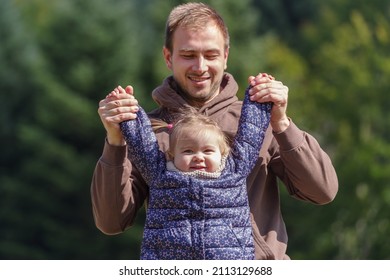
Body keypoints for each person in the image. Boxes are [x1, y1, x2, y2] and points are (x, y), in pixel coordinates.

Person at [91, 2, 338, 260]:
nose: (200, 67)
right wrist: (114, 141)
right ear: (168, 57)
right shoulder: (147, 132)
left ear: (226, 56)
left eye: (210, 55)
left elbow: (322, 191)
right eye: (188, 55)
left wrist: (283, 123)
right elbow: (111, 222)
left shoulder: (259, 121)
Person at [107, 82, 271, 260]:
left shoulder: (235, 170)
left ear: (223, 153)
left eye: (207, 151)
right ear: (172, 155)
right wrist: (127, 109)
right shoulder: (159, 174)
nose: (198, 157)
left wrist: (259, 98)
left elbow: (250, 134)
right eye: (188, 151)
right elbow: (142, 143)